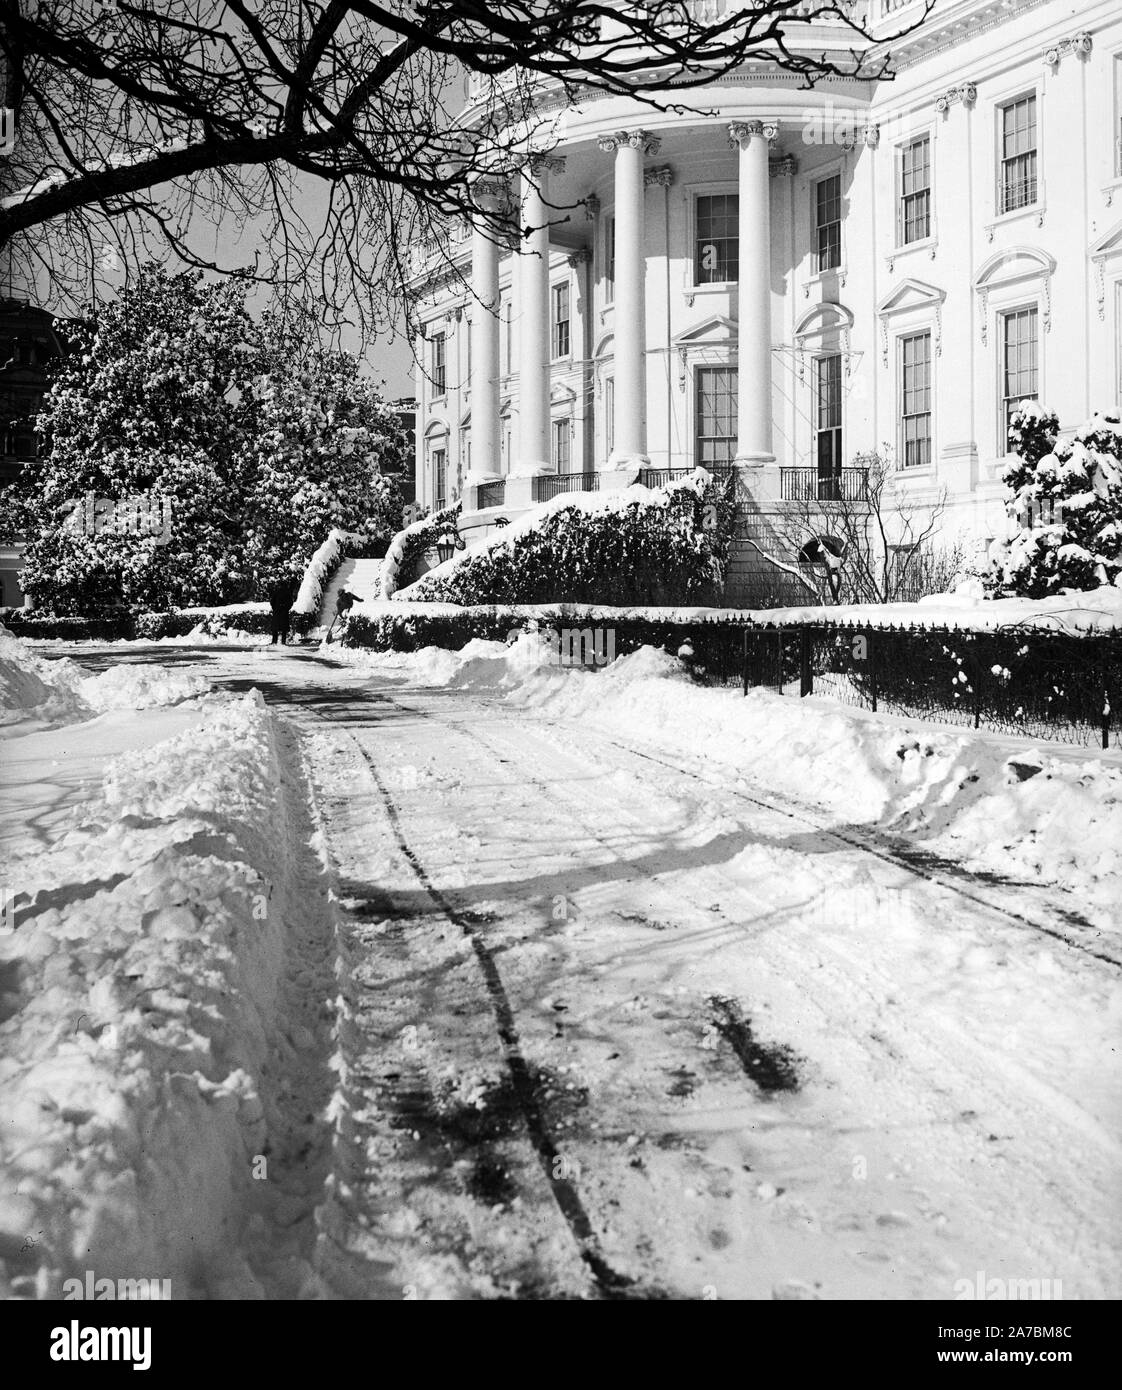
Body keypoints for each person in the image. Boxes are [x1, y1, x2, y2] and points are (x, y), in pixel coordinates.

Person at [268, 576, 299, 645]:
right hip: (284, 612)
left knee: (275, 628)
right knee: (284, 629)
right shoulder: (287, 592)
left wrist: (275, 608)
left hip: (276, 611)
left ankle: (274, 641)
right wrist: (286, 608)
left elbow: (272, 601)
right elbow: (291, 602)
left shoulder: (276, 591)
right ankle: (283, 642)